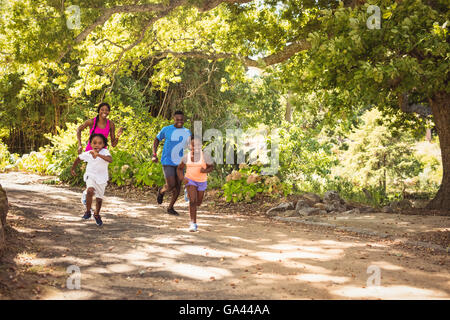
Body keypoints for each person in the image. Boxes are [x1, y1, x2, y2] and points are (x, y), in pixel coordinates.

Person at [152, 111, 191, 215]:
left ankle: (170, 208)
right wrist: (154, 154)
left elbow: (190, 145)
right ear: (174, 119)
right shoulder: (166, 129)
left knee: (178, 186)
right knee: (171, 184)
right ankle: (161, 191)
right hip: (167, 161)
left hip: (179, 162)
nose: (180, 122)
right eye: (177, 120)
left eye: (181, 120)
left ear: (184, 120)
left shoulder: (187, 132)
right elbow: (156, 139)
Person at [71, 133, 112, 227]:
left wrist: (98, 155)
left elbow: (110, 160)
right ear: (91, 144)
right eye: (94, 143)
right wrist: (73, 169)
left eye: (100, 143)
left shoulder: (105, 152)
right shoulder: (88, 153)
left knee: (99, 200)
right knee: (90, 191)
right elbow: (78, 158)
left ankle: (96, 214)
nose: (97, 145)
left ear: (103, 145)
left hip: (102, 178)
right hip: (91, 176)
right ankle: (88, 211)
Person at [177, 135, 214, 232]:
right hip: (190, 180)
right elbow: (179, 169)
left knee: (198, 202)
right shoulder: (186, 157)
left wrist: (205, 170)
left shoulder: (205, 156)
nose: (196, 147)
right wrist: (182, 178)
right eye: (194, 145)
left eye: (198, 145)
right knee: (192, 201)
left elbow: (211, 167)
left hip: (201, 181)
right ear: (190, 146)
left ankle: (188, 194)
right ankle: (193, 223)